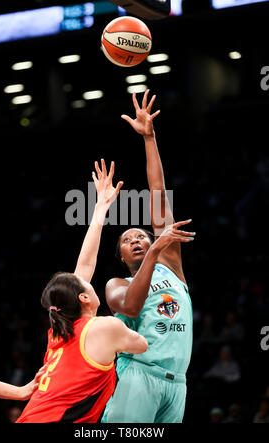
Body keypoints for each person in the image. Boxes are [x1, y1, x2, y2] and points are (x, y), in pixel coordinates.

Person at [16, 160, 148, 423]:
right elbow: (142, 345)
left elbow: (85, 266)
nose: (88, 278)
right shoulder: (103, 327)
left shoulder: (60, 331)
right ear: (84, 298)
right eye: (85, 283)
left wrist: (101, 207)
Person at [101, 90, 195, 424]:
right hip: (139, 376)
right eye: (128, 240)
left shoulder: (171, 265)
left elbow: (157, 192)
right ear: (121, 255)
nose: (138, 240)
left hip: (178, 384)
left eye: (143, 235)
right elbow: (130, 307)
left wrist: (150, 138)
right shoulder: (116, 284)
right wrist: (156, 249)